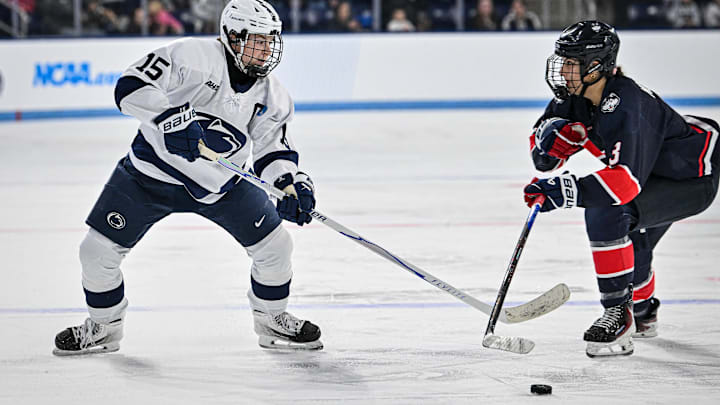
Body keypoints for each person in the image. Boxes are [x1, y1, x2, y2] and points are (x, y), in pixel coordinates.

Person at [53, 0, 323, 355]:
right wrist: (168, 117)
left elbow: (273, 151)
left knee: (276, 248)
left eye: (271, 41)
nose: (266, 50)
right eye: (257, 41)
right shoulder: (192, 57)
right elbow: (130, 85)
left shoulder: (273, 97)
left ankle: (272, 319)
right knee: (96, 251)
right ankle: (104, 326)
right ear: (232, 36)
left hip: (221, 185)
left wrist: (290, 184)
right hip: (148, 175)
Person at [524, 21, 719, 357]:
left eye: (571, 63)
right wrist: (551, 140)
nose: (563, 70)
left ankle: (619, 315)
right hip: (652, 176)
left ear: (596, 66)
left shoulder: (626, 102)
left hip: (691, 180)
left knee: (607, 210)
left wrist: (564, 191)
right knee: (635, 246)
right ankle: (644, 314)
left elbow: (624, 185)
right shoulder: (573, 98)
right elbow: (543, 162)